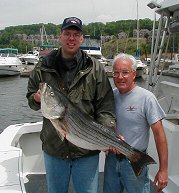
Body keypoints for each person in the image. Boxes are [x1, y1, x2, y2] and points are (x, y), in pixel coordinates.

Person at [26, 16, 115, 193]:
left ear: (82, 38)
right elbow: (31, 99)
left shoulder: (95, 68)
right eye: (67, 33)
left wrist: (107, 134)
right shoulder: (43, 66)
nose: (71, 38)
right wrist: (36, 98)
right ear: (60, 36)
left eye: (76, 34)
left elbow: (106, 106)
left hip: (86, 151)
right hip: (54, 150)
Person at [103, 53, 168, 193]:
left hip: (135, 160)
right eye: (116, 72)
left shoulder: (147, 98)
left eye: (125, 72)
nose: (120, 77)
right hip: (111, 160)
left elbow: (159, 135)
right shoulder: (110, 96)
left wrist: (163, 170)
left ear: (134, 74)